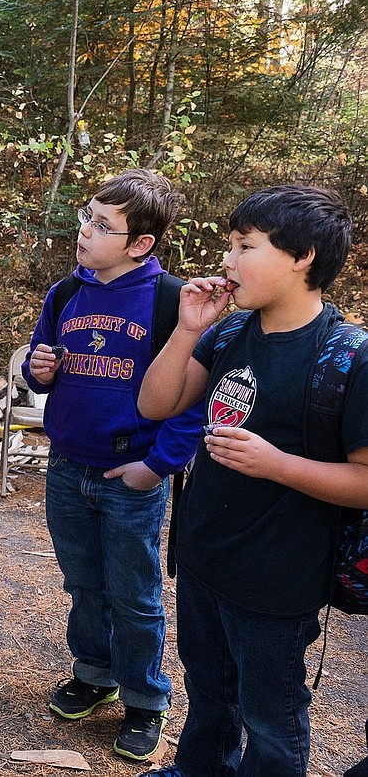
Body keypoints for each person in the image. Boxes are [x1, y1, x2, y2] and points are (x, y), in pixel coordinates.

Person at [136, 185, 368, 777]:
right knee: (210, 696)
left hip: (279, 578)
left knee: (271, 717)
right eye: (230, 246)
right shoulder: (230, 334)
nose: (227, 261)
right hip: (205, 556)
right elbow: (155, 404)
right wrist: (188, 328)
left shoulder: (349, 357)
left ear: (303, 256)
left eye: (245, 247)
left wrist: (276, 464)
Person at [22, 169, 200, 761]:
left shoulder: (171, 302)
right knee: (83, 581)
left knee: (135, 591)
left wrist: (160, 465)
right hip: (68, 466)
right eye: (86, 218)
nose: (85, 233)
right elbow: (39, 365)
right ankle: (94, 674)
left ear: (140, 244)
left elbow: (191, 399)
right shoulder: (67, 294)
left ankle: (145, 700)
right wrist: (37, 371)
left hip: (132, 476)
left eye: (103, 226)